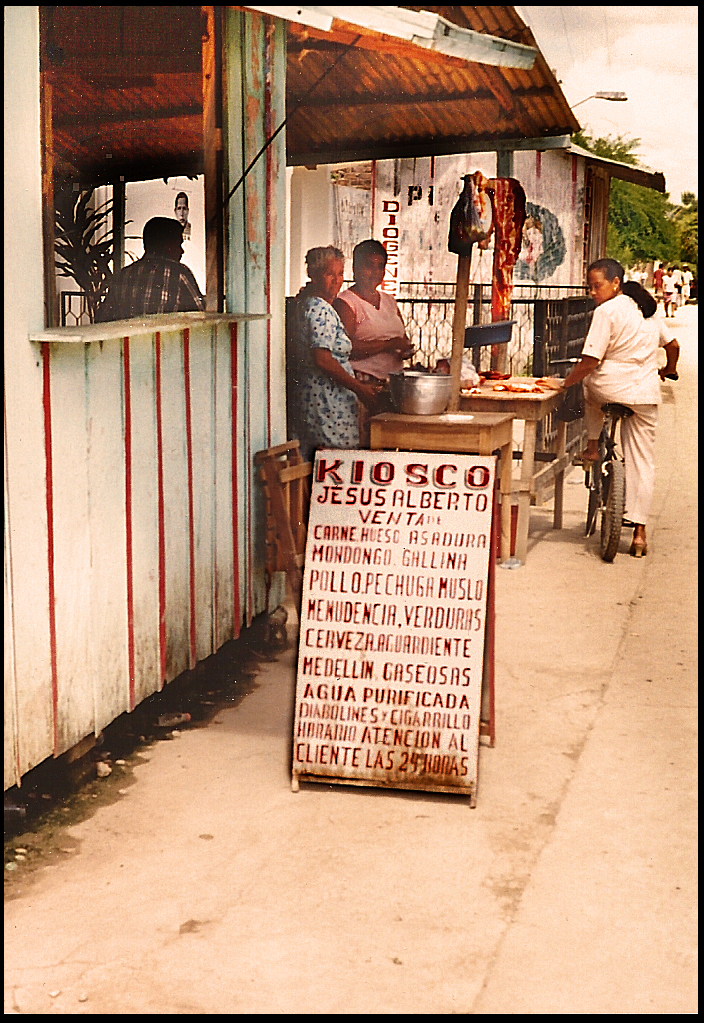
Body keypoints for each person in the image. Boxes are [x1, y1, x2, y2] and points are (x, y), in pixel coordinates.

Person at [557, 258, 679, 557]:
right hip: (645, 392)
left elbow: (589, 362)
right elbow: (673, 346)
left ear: (615, 283)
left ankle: (593, 445)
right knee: (643, 461)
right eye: (590, 287)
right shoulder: (648, 311)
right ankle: (639, 533)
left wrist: (564, 383)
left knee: (590, 390)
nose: (593, 292)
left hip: (609, 386)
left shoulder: (606, 311)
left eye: (597, 286)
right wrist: (669, 370)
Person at [291, 246, 382, 462]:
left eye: (340, 274)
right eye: (328, 273)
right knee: (336, 465)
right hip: (325, 403)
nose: (336, 280)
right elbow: (322, 358)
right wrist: (359, 389)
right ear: (313, 275)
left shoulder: (313, 304)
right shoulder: (318, 309)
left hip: (324, 402)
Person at [333, 239, 414, 443]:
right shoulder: (346, 302)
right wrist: (388, 345)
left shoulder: (389, 300)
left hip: (390, 388)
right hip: (362, 389)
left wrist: (403, 349)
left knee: (388, 446)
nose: (375, 272)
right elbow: (345, 349)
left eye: (380, 266)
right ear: (356, 267)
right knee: (364, 445)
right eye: (369, 266)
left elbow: (401, 338)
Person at [96, 217, 204, 322]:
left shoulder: (124, 275)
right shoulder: (179, 274)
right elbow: (200, 319)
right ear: (167, 246)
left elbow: (103, 319)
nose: (182, 251)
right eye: (179, 244)